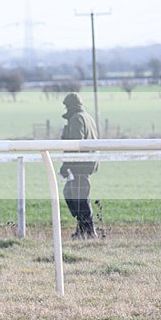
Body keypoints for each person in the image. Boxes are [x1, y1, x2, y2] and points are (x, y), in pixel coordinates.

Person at [59, 92, 99, 239]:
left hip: (80, 164)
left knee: (79, 197)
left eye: (66, 106)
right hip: (86, 163)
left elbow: (75, 144)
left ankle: (88, 231)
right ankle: (83, 229)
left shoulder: (77, 119)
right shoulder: (87, 117)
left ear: (70, 106)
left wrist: (66, 165)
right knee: (72, 194)